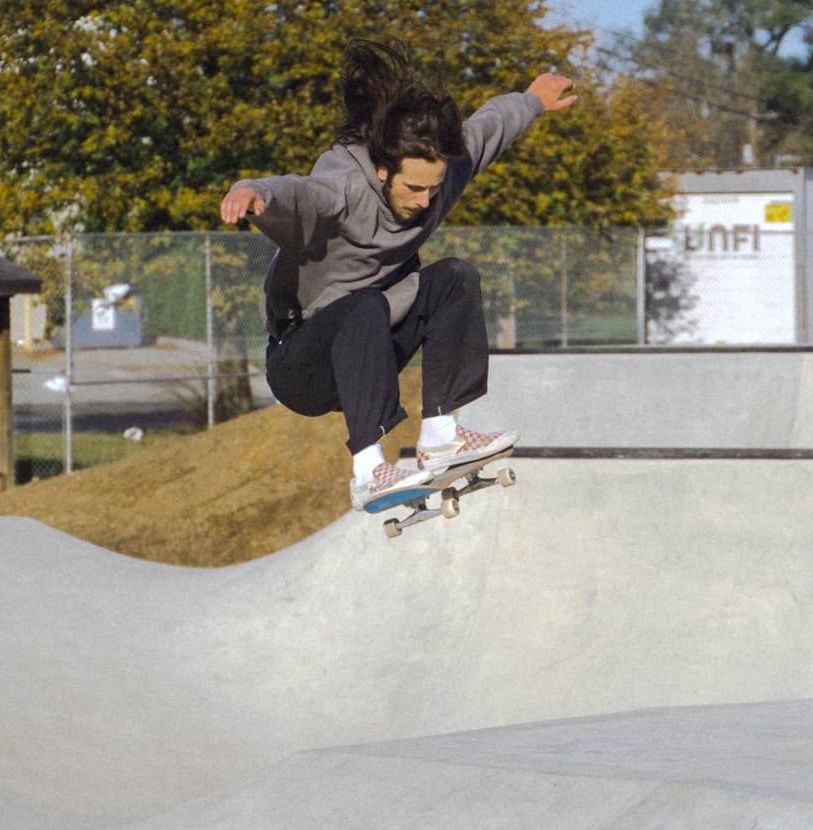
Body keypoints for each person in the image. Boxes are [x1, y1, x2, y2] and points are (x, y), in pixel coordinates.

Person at [220, 40, 577, 509]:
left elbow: (488, 130)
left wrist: (531, 101)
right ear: (383, 170)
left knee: (454, 276)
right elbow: (302, 193)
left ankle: (441, 433)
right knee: (367, 302)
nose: (425, 202)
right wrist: (253, 190)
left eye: (433, 189)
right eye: (413, 188)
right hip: (303, 363)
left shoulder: (437, 176)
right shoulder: (344, 185)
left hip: (372, 354)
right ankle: (368, 469)